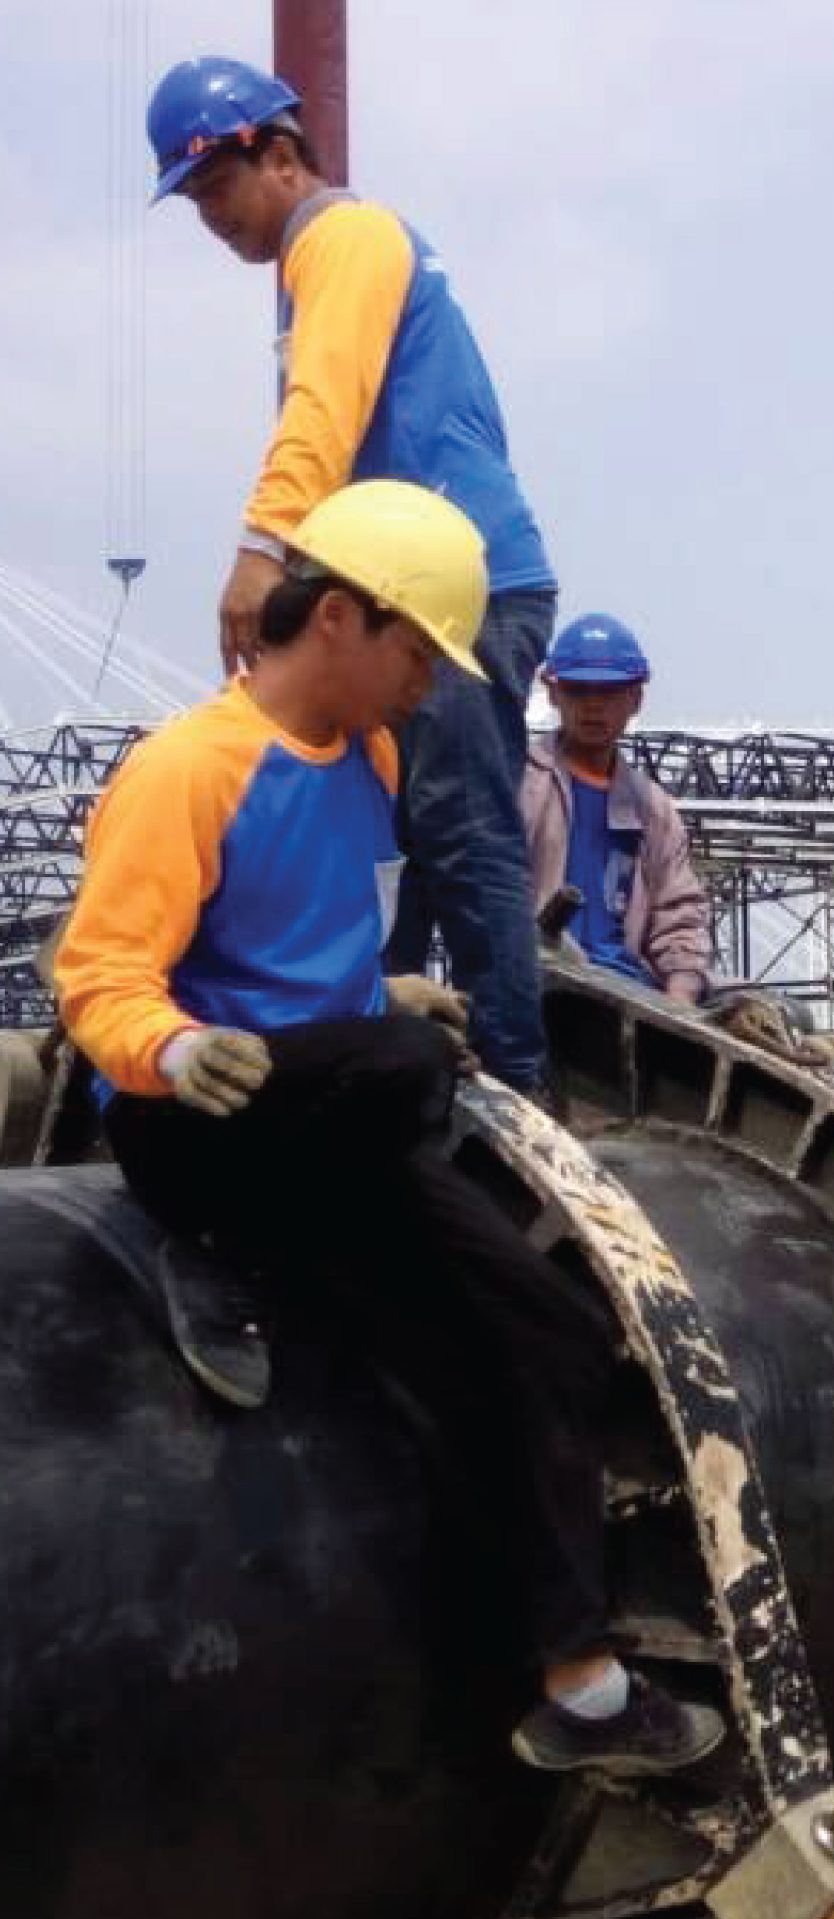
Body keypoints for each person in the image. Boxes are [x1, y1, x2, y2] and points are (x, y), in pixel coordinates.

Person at [51, 480, 723, 1777]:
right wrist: (178, 1045)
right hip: (197, 1122)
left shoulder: (368, 761)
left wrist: (374, 997)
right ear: (343, 618)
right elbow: (101, 976)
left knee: (549, 1327)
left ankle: (574, 1685)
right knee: (410, 1061)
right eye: (417, 650)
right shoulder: (192, 766)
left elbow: (326, 962)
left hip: (328, 1114)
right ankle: (218, 1248)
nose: (426, 685)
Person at [148, 56, 553, 1092]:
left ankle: (521, 1088)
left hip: (453, 588)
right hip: (405, 585)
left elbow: (322, 406)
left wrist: (263, 550)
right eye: (193, 202)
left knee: (460, 837)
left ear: (278, 155)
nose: (211, 218)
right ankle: (401, 1076)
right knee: (399, 839)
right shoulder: (329, 256)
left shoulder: (344, 238)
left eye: (216, 188)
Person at [521, 614, 712, 1003]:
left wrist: (681, 998)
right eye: (578, 690)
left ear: (636, 698)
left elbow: (679, 913)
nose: (593, 706)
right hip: (536, 983)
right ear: (553, 693)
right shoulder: (521, 784)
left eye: (607, 693)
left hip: (627, 994)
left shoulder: (653, 810)